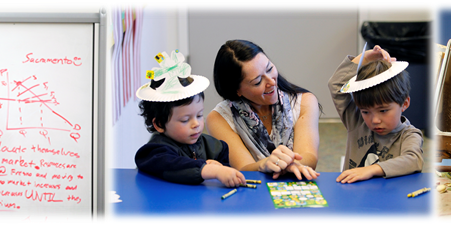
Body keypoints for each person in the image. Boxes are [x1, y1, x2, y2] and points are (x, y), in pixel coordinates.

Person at [206, 40, 320, 180]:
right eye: (258, 81)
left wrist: (288, 165)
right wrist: (264, 164)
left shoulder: (303, 101)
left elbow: (309, 156)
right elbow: (243, 168)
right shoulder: (220, 118)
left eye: (269, 68)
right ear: (237, 91)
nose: (271, 82)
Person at [133, 51, 245, 186]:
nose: (196, 124)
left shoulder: (216, 147)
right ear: (159, 124)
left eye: (199, 115)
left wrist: (221, 167)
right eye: (185, 120)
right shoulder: (154, 152)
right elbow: (172, 165)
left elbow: (223, 175)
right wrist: (208, 169)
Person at [327, 45, 424, 183]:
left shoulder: (409, 135)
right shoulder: (356, 121)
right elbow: (336, 85)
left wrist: (372, 169)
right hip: (353, 197)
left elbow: (413, 160)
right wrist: (365, 58)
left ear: (405, 104)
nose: (375, 120)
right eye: (366, 111)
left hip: (389, 199)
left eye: (383, 110)